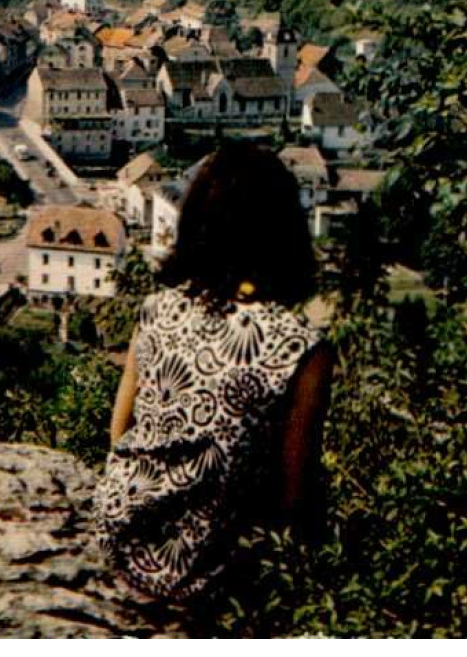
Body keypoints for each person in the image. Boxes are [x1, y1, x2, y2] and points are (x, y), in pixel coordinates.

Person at [95, 142, 334, 603]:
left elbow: (119, 433)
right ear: (284, 232)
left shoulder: (157, 309)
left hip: (120, 535)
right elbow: (294, 496)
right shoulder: (303, 348)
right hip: (209, 570)